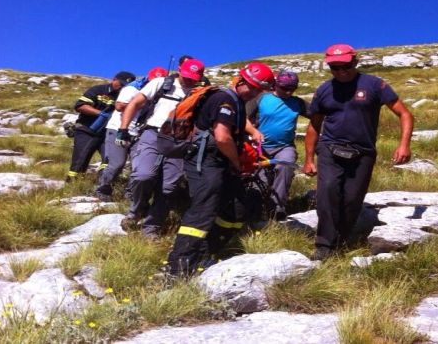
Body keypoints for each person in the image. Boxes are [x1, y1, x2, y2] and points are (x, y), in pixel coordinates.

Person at [302, 44, 414, 261]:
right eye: (335, 67)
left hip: (363, 152)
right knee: (327, 193)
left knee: (352, 200)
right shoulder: (324, 90)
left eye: (346, 65)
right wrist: (308, 159)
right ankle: (324, 245)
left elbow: (405, 114)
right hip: (329, 148)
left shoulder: (374, 85)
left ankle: (342, 241)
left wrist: (404, 144)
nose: (341, 71)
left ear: (355, 61)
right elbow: (314, 126)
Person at [167, 62, 275, 276]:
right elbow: (222, 137)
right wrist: (237, 162)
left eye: (258, 90)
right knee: (202, 212)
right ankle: (180, 266)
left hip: (219, 161)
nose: (253, 92)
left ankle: (208, 253)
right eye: (251, 87)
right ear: (241, 80)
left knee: (237, 207)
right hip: (207, 161)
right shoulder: (224, 99)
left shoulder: (235, 102)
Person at [116, 58, 205, 238]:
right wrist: (123, 129)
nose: (189, 80)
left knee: (169, 187)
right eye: (187, 76)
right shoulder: (161, 84)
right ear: (179, 70)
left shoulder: (200, 94)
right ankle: (137, 210)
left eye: (194, 78)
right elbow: (134, 103)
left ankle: (152, 227)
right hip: (153, 134)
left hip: (179, 140)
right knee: (143, 175)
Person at [92, 66, 168, 201]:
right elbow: (119, 106)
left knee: (139, 165)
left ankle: (131, 193)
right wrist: (140, 102)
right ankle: (103, 187)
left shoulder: (162, 97)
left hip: (139, 133)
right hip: (118, 129)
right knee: (117, 163)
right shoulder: (132, 89)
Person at [248, 70, 309, 220]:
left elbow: (318, 114)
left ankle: (277, 208)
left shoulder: (298, 103)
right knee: (260, 179)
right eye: (284, 88)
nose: (288, 92)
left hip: (284, 146)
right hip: (260, 147)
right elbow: (244, 118)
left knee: (286, 166)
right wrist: (253, 132)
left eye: (292, 89)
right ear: (275, 85)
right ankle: (256, 210)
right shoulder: (261, 98)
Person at [66, 71, 136, 182]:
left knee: (108, 160)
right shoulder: (98, 90)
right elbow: (80, 106)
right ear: (114, 79)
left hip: (107, 133)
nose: (122, 87)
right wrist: (100, 113)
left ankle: (101, 182)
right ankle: (72, 184)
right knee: (81, 159)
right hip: (87, 129)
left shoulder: (126, 96)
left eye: (125, 85)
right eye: (121, 83)